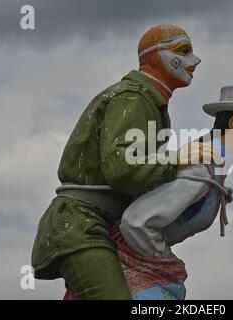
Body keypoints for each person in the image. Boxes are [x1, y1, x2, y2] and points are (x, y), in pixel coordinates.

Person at [31, 23, 216, 300]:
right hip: (81, 225)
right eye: (183, 51)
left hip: (98, 226)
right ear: (153, 57)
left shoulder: (149, 102)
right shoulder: (134, 97)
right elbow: (122, 170)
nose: (195, 60)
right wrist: (177, 160)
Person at [99, 83, 233, 299]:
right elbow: (136, 222)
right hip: (128, 266)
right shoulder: (201, 166)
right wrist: (162, 261)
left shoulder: (214, 165)